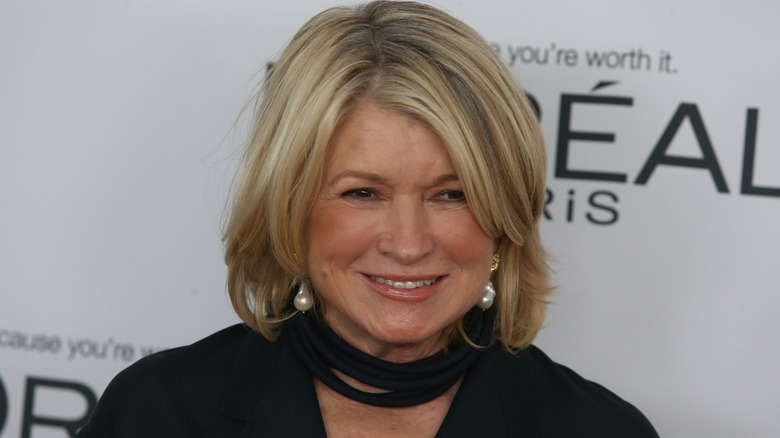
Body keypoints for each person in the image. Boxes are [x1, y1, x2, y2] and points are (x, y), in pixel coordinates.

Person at [77, 1, 658, 437]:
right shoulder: (159, 412)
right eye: (362, 193)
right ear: (290, 211)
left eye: (451, 195)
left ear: (504, 221)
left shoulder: (600, 430)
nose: (408, 245)